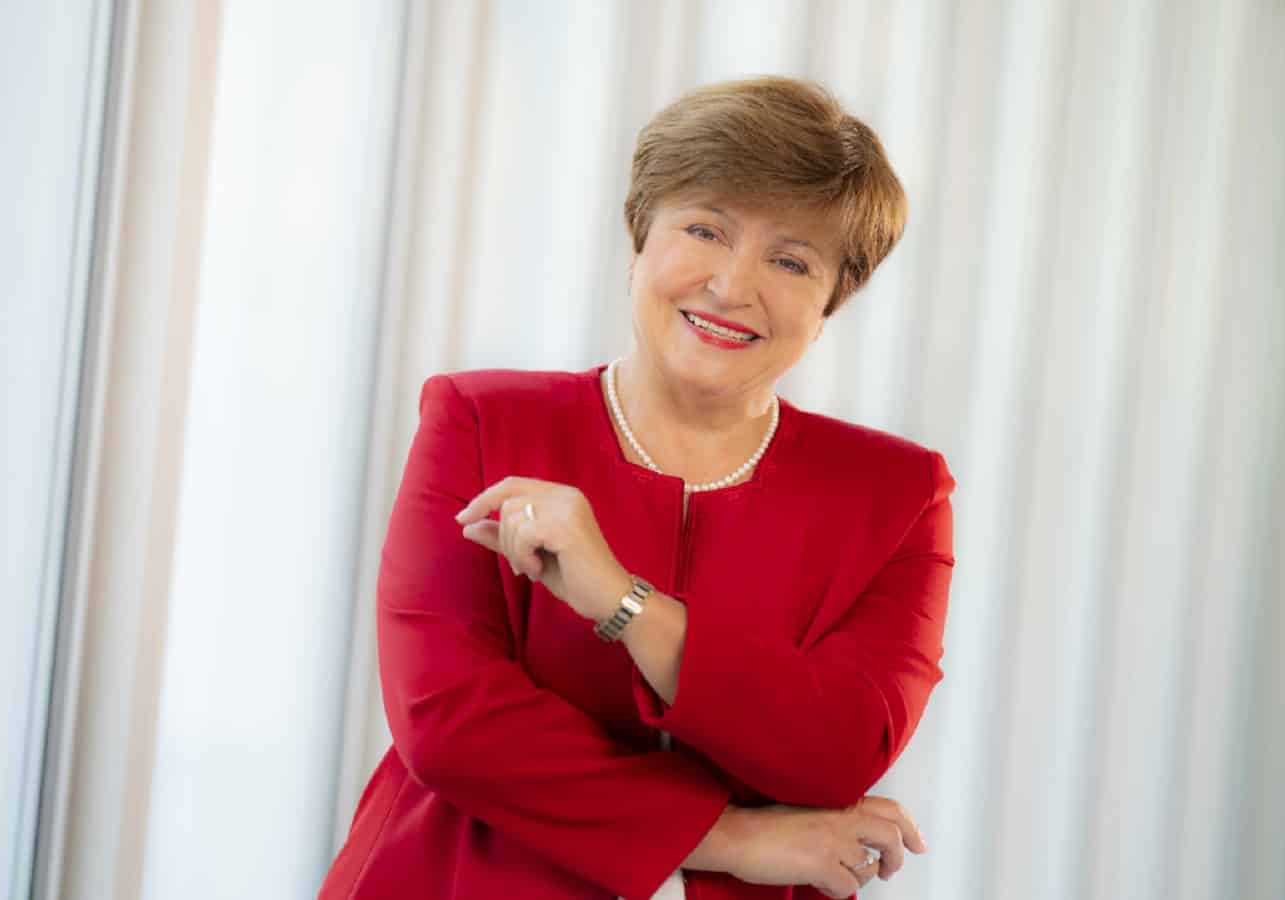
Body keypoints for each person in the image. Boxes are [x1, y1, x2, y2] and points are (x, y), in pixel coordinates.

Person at [318, 76, 955, 900]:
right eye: (705, 230)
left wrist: (626, 604)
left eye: (791, 260)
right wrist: (734, 839)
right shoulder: (480, 421)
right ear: (639, 236)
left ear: (833, 298)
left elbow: (841, 747)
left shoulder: (897, 494)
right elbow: (448, 721)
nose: (732, 287)